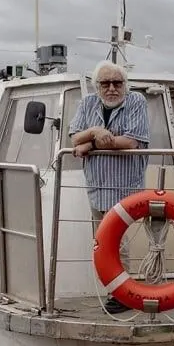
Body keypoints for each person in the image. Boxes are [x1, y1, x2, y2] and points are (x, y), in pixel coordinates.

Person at [68, 60, 151, 314]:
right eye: (106, 83)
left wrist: (90, 145)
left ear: (125, 85)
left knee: (116, 240)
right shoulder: (88, 103)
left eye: (118, 83)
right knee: (103, 243)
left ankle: (121, 294)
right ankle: (114, 290)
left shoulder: (136, 101)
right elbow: (74, 136)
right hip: (98, 185)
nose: (112, 88)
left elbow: (131, 142)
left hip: (124, 185)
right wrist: (93, 130)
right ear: (97, 86)